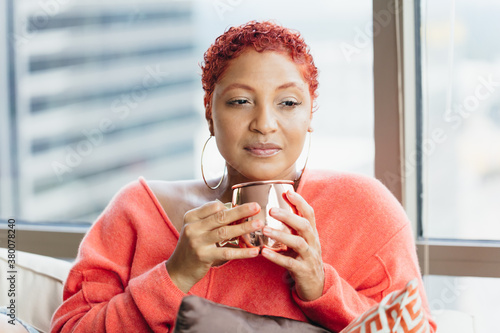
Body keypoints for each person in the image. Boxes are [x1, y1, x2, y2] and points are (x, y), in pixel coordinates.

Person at [50, 20, 437, 332]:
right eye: (240, 101)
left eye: (288, 102)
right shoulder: (137, 211)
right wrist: (175, 274)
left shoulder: (364, 210)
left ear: (310, 114)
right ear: (209, 111)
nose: (265, 124)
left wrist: (323, 288)